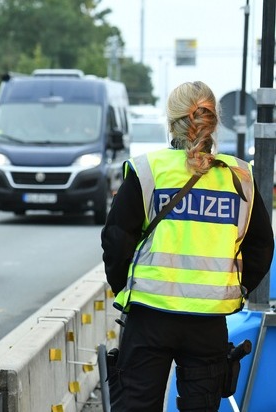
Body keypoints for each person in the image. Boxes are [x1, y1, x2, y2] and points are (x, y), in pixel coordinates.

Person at [100, 81, 274, 412]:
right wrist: (236, 289)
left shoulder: (148, 170)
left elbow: (116, 239)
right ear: (214, 121)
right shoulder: (239, 177)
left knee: (136, 405)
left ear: (171, 121)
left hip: (149, 315)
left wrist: (126, 287)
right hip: (208, 322)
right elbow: (261, 246)